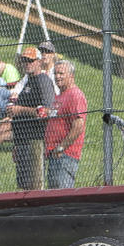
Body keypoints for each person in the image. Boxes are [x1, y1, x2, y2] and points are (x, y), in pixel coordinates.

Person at [7, 47, 55, 189]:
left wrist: (19, 110)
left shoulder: (43, 81)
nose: (27, 63)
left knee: (32, 185)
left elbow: (46, 111)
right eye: (24, 60)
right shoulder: (28, 81)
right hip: (22, 141)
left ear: (39, 61)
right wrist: (16, 144)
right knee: (23, 186)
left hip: (34, 141)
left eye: (30, 60)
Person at [44, 60, 88, 188]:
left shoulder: (75, 95)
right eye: (55, 73)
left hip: (65, 155)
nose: (57, 77)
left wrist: (61, 147)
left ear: (71, 76)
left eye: (61, 73)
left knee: (61, 195)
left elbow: (78, 126)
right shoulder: (58, 97)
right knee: (53, 195)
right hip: (53, 154)